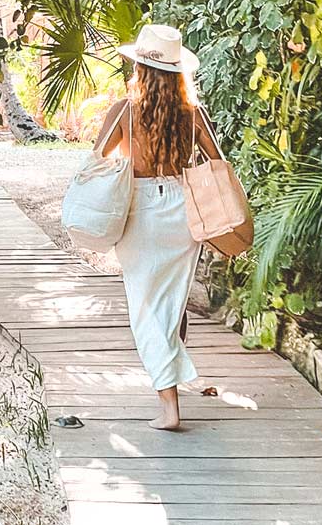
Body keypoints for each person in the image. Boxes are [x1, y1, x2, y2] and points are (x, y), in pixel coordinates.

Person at [93, 23, 219, 431]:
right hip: (184, 210)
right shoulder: (192, 114)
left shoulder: (124, 112)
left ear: (140, 68)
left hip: (143, 211)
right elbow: (217, 163)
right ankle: (175, 376)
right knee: (173, 301)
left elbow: (98, 159)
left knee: (147, 309)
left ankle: (169, 407)